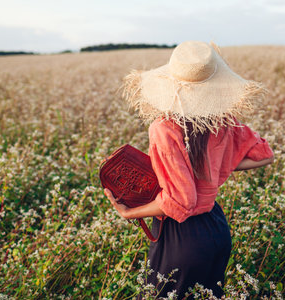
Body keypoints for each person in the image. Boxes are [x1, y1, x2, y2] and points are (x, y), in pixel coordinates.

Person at [104, 40, 274, 299]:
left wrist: (130, 213)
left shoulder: (163, 128)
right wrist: (216, 166)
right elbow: (265, 155)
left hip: (180, 237)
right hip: (216, 229)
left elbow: (181, 201)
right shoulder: (223, 121)